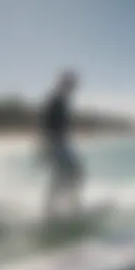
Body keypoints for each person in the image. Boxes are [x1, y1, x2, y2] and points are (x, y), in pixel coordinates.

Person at [39, 70, 83, 218]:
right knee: (71, 172)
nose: (73, 88)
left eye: (74, 85)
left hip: (59, 143)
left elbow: (62, 125)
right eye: (71, 85)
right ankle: (56, 209)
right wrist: (45, 148)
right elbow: (45, 124)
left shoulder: (62, 101)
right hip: (54, 143)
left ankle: (64, 206)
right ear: (64, 84)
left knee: (69, 174)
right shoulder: (56, 100)